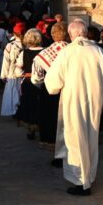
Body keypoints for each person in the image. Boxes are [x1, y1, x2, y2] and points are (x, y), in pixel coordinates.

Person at [44, 20, 103, 195]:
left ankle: (81, 181)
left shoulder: (66, 53)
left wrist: (53, 89)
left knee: (75, 138)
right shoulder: (99, 52)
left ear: (71, 35)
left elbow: (53, 82)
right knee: (91, 139)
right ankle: (89, 177)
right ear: (85, 33)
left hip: (73, 102)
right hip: (94, 102)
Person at [31, 21, 68, 157]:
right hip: (70, 91)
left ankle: (56, 153)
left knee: (52, 120)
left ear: (52, 36)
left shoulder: (44, 54)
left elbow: (36, 78)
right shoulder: (72, 51)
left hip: (50, 93)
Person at [16, 28, 44, 140]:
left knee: (30, 106)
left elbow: (17, 72)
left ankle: (31, 130)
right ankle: (43, 128)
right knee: (42, 105)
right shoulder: (45, 51)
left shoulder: (24, 53)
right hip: (43, 83)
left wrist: (27, 74)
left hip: (28, 83)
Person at [0, 21, 26, 118]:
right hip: (24, 74)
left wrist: (3, 75)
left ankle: (14, 111)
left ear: (14, 34)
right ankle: (22, 111)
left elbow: (6, 62)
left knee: (12, 92)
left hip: (12, 73)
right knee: (22, 92)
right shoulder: (27, 45)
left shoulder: (10, 45)